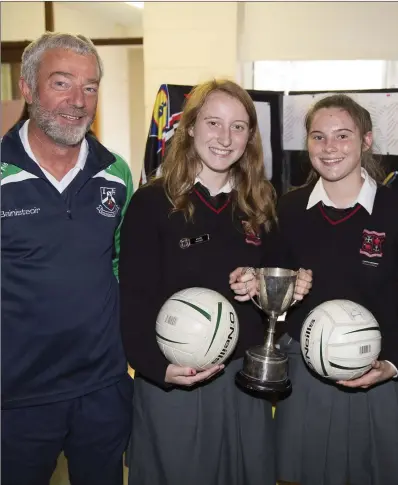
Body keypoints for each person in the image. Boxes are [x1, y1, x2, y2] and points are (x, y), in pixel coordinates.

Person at [118, 78, 312, 485]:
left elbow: (281, 283)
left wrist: (272, 285)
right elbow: (132, 301)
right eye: (213, 123)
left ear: (250, 137)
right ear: (190, 128)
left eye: (238, 126)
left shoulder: (259, 203)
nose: (225, 138)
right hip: (177, 382)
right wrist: (156, 368)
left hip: (244, 384)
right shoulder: (153, 203)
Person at [231, 94, 398, 485]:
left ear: (367, 141)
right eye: (318, 137)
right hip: (305, 378)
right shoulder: (286, 210)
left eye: (343, 135)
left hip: (379, 377)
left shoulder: (394, 209)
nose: (330, 148)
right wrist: (263, 287)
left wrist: (392, 364)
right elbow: (273, 300)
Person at [1, 32, 134, 485]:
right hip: (16, 398)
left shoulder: (115, 172)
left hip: (102, 389)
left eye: (91, 86)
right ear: (27, 88)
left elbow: (120, 266)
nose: (79, 100)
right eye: (62, 83)